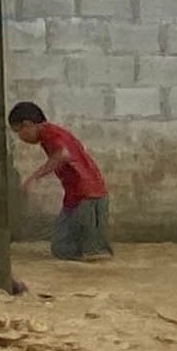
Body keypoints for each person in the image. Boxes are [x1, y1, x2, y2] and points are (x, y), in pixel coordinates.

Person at [14, 100, 110, 259]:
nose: (20, 137)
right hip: (86, 194)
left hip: (85, 196)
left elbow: (62, 155)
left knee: (71, 250)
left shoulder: (49, 135)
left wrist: (34, 177)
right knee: (65, 248)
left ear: (28, 124)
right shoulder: (54, 133)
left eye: (18, 131)